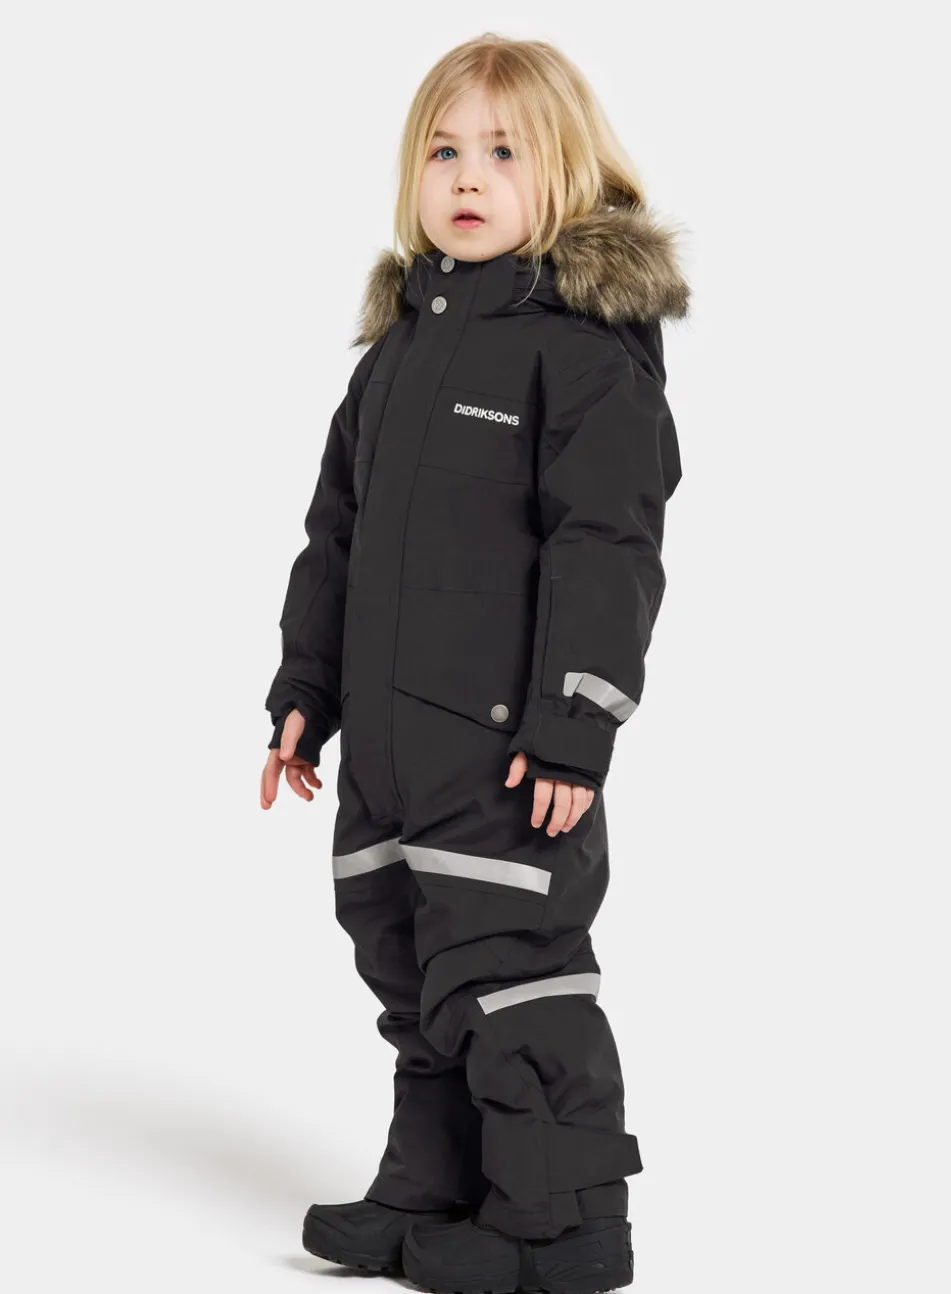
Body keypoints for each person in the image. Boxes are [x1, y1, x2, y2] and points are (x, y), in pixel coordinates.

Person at [259, 31, 690, 1294]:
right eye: (443, 150)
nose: (466, 175)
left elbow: (608, 546)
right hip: (393, 747)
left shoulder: (583, 354)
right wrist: (304, 691)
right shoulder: (395, 357)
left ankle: (564, 1219)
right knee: (409, 959)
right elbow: (335, 536)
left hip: (507, 748)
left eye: (504, 152)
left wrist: (575, 723)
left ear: (566, 172)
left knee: (512, 967)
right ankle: (439, 1178)